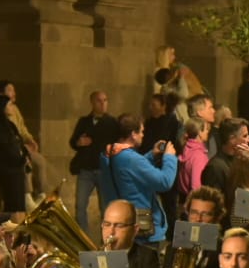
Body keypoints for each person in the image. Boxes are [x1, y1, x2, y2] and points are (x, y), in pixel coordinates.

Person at [100, 114, 180, 246]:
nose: (143, 135)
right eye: (141, 131)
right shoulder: (131, 159)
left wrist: (151, 155)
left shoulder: (110, 154)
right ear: (133, 134)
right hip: (140, 227)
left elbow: (128, 172)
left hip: (122, 221)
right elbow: (164, 182)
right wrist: (169, 157)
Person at [68, 90, 121, 234]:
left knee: (105, 208)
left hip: (104, 171)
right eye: (99, 100)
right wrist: (79, 142)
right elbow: (73, 142)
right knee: (80, 206)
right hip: (86, 170)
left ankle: (106, 242)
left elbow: (119, 143)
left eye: (105, 100)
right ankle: (84, 239)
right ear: (92, 102)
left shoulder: (112, 123)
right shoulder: (84, 122)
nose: (103, 104)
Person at [0, 89, 31, 213]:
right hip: (9, 171)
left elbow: (19, 143)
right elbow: (5, 149)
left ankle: (20, 230)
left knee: (20, 206)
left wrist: (25, 156)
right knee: (13, 205)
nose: (12, 107)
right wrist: (19, 159)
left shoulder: (11, 125)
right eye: (9, 105)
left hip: (17, 169)